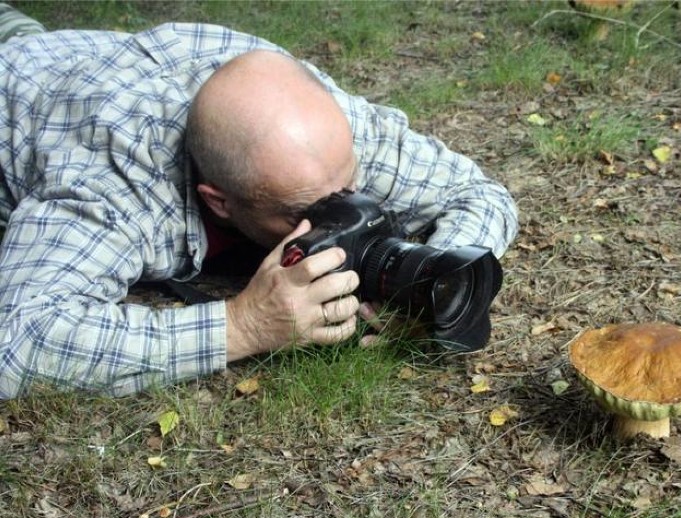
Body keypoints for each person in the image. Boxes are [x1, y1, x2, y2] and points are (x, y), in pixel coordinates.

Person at [0, 6, 518, 398]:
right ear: (218, 202)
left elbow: (478, 193)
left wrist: (426, 280)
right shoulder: (116, 179)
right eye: (306, 213)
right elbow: (18, 342)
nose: (347, 218)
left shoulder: (330, 128)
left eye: (349, 186)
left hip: (77, 51)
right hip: (22, 85)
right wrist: (243, 325)